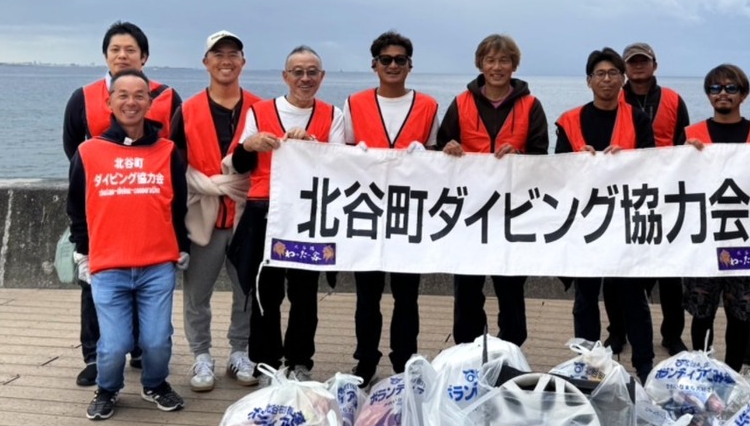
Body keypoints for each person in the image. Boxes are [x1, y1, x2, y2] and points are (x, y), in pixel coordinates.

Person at [62, 21, 182, 387]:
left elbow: (174, 150)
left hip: (148, 203)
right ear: (105, 56)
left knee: (148, 296)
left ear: (144, 57)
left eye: (130, 50)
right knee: (94, 289)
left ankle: (143, 355)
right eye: (115, 50)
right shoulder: (84, 95)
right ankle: (94, 356)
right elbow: (73, 148)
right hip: (104, 203)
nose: (122, 55)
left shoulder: (166, 96)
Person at [230, 46, 344, 383]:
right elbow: (238, 164)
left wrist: (310, 144)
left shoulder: (332, 115)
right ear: (285, 76)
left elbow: (340, 163)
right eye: (297, 71)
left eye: (312, 72)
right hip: (264, 211)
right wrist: (249, 146)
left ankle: (299, 361)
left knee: (305, 293)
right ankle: (266, 360)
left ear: (321, 77)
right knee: (266, 292)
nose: (305, 78)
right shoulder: (258, 111)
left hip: (309, 216)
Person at [437, 34, 549, 348]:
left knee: (511, 287)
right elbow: (440, 150)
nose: (497, 67)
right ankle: (467, 349)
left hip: (512, 214)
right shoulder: (461, 102)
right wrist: (449, 147)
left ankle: (511, 349)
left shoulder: (531, 105)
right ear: (480, 64)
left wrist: (521, 157)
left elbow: (544, 159)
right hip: (468, 213)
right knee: (467, 288)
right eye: (490, 60)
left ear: (514, 65)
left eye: (504, 60)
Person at [554, 47, 656, 384]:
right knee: (586, 298)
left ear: (623, 79)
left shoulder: (638, 119)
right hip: (584, 221)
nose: (607, 79)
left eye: (613, 73)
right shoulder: (569, 121)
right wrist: (576, 158)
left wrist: (626, 159)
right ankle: (588, 363)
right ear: (589, 81)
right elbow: (555, 170)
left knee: (632, 296)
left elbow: (654, 167)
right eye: (600, 74)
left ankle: (644, 365)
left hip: (625, 220)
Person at [343, 30, 439, 386]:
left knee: (406, 296)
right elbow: (342, 154)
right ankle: (365, 361)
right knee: (366, 296)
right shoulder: (354, 103)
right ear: (374, 65)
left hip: (408, 212)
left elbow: (436, 157)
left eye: (400, 60)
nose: (393, 65)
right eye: (386, 59)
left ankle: (405, 360)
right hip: (366, 211)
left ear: (410, 66)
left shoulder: (428, 106)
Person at [169, 31, 260, 392]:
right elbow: (174, 166)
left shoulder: (260, 108)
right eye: (217, 54)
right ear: (206, 62)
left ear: (243, 61)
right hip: (200, 209)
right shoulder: (187, 110)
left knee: (247, 290)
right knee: (197, 293)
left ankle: (240, 350)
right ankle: (201, 355)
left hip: (247, 213)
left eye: (233, 53)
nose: (226, 60)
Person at [682, 64, 750, 373]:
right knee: (702, 311)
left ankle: (734, 373)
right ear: (708, 94)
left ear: (744, 94)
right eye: (715, 88)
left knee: (741, 313)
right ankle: (702, 370)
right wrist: (680, 157)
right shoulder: (690, 135)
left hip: (748, 237)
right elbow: (673, 182)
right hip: (704, 237)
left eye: (731, 88)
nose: (723, 93)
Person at [617, 41, 691, 357]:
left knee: (671, 274)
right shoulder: (612, 97)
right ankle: (618, 331)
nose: (637, 66)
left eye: (643, 61)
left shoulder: (674, 100)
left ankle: (672, 335)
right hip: (626, 196)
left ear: (654, 65)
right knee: (626, 272)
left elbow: (685, 143)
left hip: (668, 194)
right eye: (631, 62)